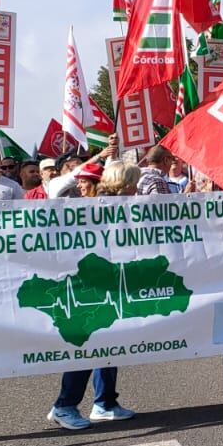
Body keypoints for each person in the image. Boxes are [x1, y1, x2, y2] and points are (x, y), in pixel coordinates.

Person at [46, 161, 141, 429]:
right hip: (90, 290)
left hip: (109, 286)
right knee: (87, 347)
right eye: (134, 183)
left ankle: (105, 402)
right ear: (124, 184)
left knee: (108, 345)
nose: (137, 189)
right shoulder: (95, 207)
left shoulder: (122, 207)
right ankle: (64, 405)